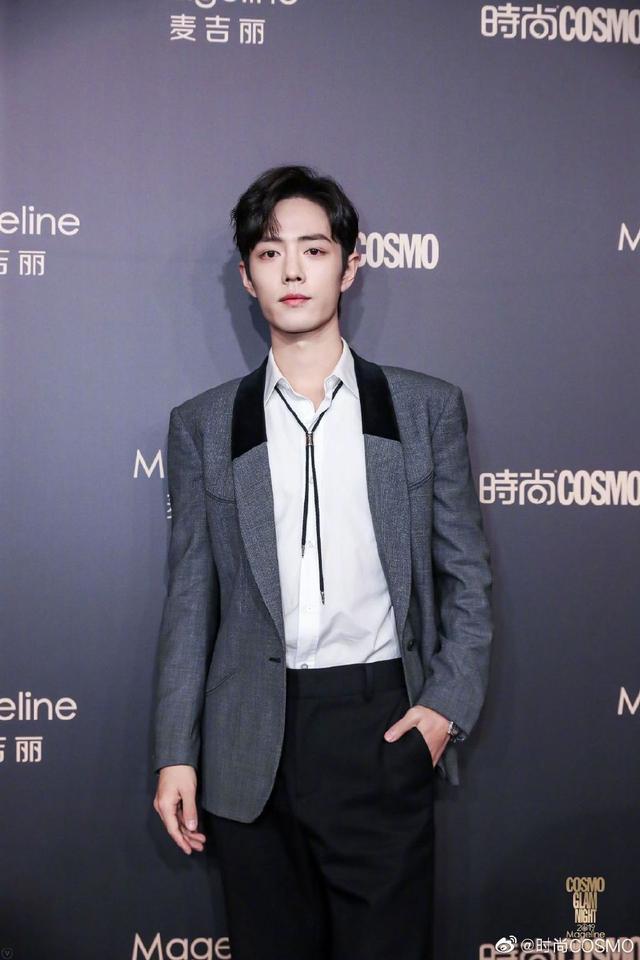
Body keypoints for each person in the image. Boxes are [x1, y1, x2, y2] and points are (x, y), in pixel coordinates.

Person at [152, 164, 493, 960]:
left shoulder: (422, 409)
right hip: (248, 741)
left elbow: (467, 579)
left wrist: (442, 711)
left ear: (350, 264)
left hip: (380, 728)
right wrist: (175, 750)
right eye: (271, 253)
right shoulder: (206, 424)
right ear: (248, 276)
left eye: (314, 249)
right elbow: (191, 599)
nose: (294, 271)